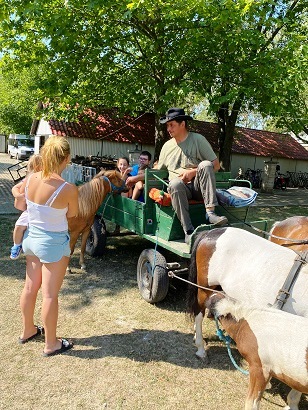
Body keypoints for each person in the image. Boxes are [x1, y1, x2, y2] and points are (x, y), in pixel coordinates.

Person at [17, 136, 78, 357]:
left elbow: (20, 196)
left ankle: (27, 330)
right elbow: (72, 214)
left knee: (30, 288)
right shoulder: (68, 188)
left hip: (31, 240)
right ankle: (51, 343)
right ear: (67, 158)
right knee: (50, 295)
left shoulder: (32, 178)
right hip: (53, 244)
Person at [156, 107, 228, 244]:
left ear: (182, 124)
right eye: (167, 126)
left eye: (171, 125)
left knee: (206, 164)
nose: (168, 129)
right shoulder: (166, 146)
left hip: (199, 187)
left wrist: (192, 172)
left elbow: (216, 165)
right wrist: (137, 177)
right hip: (180, 189)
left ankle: (211, 213)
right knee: (175, 183)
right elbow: (158, 170)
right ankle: (188, 231)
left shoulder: (198, 139)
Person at [10, 154, 43, 260]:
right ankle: (16, 245)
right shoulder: (28, 179)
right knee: (19, 226)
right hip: (30, 210)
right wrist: (18, 196)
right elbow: (15, 187)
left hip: (42, 211)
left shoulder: (47, 178)